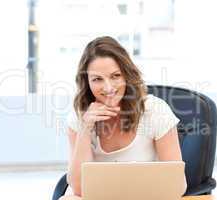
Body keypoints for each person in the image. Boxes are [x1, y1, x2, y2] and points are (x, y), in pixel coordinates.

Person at [60, 36, 187, 200]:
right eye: (97, 79)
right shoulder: (79, 118)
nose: (108, 87)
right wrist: (85, 128)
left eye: (115, 76)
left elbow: (177, 184)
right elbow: (78, 189)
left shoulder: (155, 111)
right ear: (87, 82)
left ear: (126, 75)